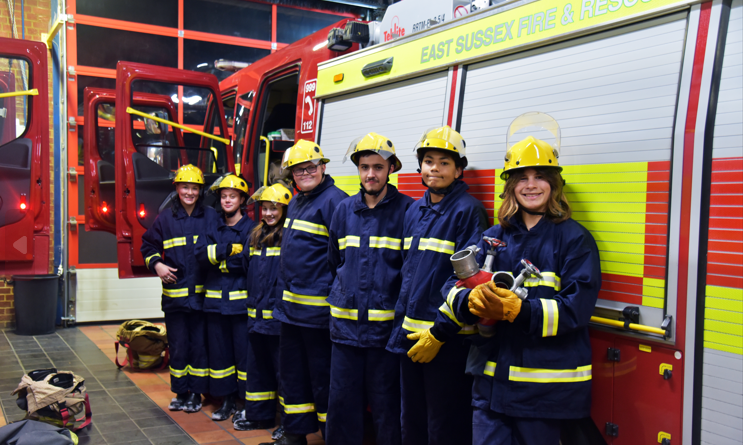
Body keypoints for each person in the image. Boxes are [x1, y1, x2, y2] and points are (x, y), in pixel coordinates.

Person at [441, 112, 601, 444]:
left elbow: (576, 308)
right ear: (510, 187)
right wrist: (468, 300)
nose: (530, 185)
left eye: (540, 176)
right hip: (491, 387)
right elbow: (450, 286)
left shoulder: (574, 239)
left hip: (545, 394)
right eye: (521, 177)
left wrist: (519, 311)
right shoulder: (494, 237)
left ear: (554, 185)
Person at [386, 126, 488, 445]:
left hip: (446, 338)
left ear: (458, 170)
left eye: (445, 162)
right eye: (429, 160)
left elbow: (467, 280)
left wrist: (441, 330)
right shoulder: (415, 209)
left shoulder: (468, 211)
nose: (435, 168)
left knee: (445, 421)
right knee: (412, 416)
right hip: (410, 332)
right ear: (420, 167)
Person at [325, 133, 414, 445]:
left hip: (385, 335)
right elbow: (334, 261)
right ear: (358, 169)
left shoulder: (408, 211)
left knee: (387, 408)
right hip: (345, 331)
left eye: (378, 166)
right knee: (342, 406)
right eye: (364, 167)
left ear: (391, 168)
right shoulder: (343, 210)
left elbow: (410, 272)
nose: (371, 174)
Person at [260, 140, 347, 445]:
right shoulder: (298, 200)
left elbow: (343, 261)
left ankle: (331, 437)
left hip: (318, 316)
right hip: (291, 312)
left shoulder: (336, 202)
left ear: (323, 167)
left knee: (323, 380)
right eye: (298, 170)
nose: (305, 173)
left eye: (310, 167)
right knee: (293, 378)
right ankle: (294, 435)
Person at [141, 164, 218, 413]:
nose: (190, 192)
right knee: (178, 346)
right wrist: (158, 265)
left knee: (198, 346)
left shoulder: (210, 216)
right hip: (174, 299)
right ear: (177, 189)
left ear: (200, 190)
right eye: (185, 187)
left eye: (194, 188)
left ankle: (196, 393)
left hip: (201, 299)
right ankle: (181, 392)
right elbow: (147, 247)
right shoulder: (165, 218)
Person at [233, 182, 293, 438]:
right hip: (256, 319)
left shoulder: (289, 236)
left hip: (279, 321)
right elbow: (249, 270)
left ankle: (289, 424)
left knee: (285, 374)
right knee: (258, 369)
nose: (268, 213)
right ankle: (260, 415)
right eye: (265, 209)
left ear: (285, 210)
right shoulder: (255, 236)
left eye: (274, 209)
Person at [195, 174, 255, 421]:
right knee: (220, 358)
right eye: (223, 196)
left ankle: (244, 401)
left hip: (240, 307)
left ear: (242, 199)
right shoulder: (213, 225)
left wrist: (218, 261)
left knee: (244, 357)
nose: (227, 200)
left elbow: (248, 263)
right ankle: (227, 400)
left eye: (232, 196)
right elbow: (200, 255)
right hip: (215, 307)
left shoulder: (251, 229)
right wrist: (228, 250)